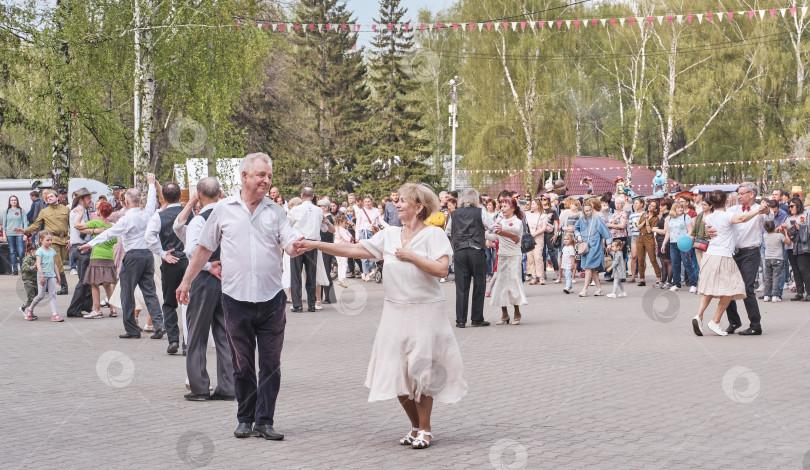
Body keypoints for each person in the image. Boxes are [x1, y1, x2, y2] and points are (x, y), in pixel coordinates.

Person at [293, 182, 466, 449]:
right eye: (397, 200)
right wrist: (315, 244)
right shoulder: (390, 235)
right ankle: (414, 426)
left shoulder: (434, 235)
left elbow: (442, 270)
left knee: (422, 372)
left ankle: (426, 429)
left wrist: (412, 257)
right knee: (396, 370)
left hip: (425, 310)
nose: (397, 204)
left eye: (403, 201)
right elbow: (353, 250)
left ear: (419, 207)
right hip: (394, 311)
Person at [177, 153, 300, 441]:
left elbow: (289, 242)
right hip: (235, 299)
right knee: (242, 364)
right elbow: (204, 249)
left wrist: (297, 245)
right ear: (244, 177)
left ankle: (265, 421)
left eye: (269, 175)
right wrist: (186, 282)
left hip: (271, 301)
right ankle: (245, 418)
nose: (266, 180)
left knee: (270, 363)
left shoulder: (276, 212)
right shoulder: (222, 210)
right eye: (260, 175)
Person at [79, 174, 166, 340]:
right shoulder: (147, 213)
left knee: (127, 293)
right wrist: (151, 184)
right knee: (150, 292)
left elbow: (109, 233)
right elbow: (152, 200)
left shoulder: (127, 219)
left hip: (133, 256)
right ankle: (159, 324)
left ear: (126, 203)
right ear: (140, 201)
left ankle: (132, 329)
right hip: (147, 256)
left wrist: (89, 244)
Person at [173, 178, 235, 402]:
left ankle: (199, 387)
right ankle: (229, 386)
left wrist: (208, 266)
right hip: (228, 279)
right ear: (220, 194)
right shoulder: (231, 217)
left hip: (203, 279)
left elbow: (191, 250)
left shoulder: (200, 220)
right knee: (225, 333)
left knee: (197, 333)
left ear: (198, 194)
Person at [693, 190, 769, 336]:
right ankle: (715, 321)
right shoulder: (728, 214)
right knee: (732, 288)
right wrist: (758, 209)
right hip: (724, 256)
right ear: (726, 200)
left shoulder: (709, 217)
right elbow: (742, 219)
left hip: (710, 255)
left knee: (711, 288)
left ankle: (699, 315)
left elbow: (704, 220)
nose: (739, 196)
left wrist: (710, 227)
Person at [145, 182, 187, 354]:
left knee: (169, 303)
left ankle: (173, 340)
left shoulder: (159, 215)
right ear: (180, 196)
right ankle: (188, 342)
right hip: (187, 260)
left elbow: (149, 237)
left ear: (163, 197)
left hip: (170, 261)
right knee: (189, 303)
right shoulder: (188, 213)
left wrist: (162, 253)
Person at [449, 188, 494, 328]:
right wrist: (484, 233)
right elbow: (492, 226)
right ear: (475, 199)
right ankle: (476, 318)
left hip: (460, 251)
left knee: (461, 286)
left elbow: (448, 231)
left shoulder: (454, 214)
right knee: (479, 284)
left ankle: (460, 320)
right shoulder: (481, 212)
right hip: (476, 250)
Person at [287, 187, 329, 312]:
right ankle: (311, 304)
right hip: (312, 244)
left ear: (302, 195)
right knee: (311, 275)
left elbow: (287, 225)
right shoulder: (318, 211)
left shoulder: (295, 209)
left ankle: (297, 305)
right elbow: (324, 228)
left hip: (298, 243)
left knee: (296, 275)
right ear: (312, 196)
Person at [21, 190, 70, 295]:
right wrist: (25, 231)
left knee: (55, 263)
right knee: (58, 262)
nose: (49, 198)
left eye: (51, 196)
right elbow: (36, 225)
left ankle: (47, 285)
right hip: (52, 240)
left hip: (65, 240)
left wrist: (71, 238)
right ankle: (64, 286)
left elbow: (72, 225)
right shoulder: (44, 211)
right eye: (47, 198)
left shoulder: (66, 209)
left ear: (57, 197)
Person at [75, 201, 118, 319]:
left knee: (94, 283)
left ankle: (97, 310)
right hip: (109, 256)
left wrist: (80, 213)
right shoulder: (112, 225)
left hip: (97, 255)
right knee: (107, 284)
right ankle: (113, 309)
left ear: (99, 211)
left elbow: (77, 225)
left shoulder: (96, 222)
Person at [489, 197, 528, 325]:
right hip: (502, 256)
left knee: (513, 283)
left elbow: (516, 233)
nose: (502, 209)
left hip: (514, 256)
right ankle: (504, 314)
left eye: (505, 206)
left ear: (513, 208)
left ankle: (517, 312)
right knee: (501, 285)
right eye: (501, 206)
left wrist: (503, 228)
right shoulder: (500, 221)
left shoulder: (517, 221)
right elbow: (494, 236)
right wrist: (480, 233)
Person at [66, 188, 95, 318]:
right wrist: (96, 230)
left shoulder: (83, 211)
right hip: (81, 248)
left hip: (83, 247)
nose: (91, 200)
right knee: (84, 280)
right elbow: (82, 231)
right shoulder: (77, 212)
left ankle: (86, 306)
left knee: (87, 279)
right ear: (82, 199)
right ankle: (73, 309)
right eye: (88, 198)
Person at [24, 231, 63, 322]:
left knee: (52, 294)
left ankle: (55, 314)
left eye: (51, 240)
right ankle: (29, 309)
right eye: (47, 240)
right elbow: (38, 264)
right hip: (42, 276)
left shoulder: (52, 251)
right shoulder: (39, 251)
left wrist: (58, 275)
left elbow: (54, 264)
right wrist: (42, 276)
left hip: (51, 276)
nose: (50, 242)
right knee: (41, 295)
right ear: (41, 240)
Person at [575, 201, 612, 297]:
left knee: (588, 267)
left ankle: (585, 289)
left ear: (592, 209)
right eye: (586, 210)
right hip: (585, 247)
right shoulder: (581, 219)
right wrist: (578, 235)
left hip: (595, 246)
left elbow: (605, 231)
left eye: (589, 210)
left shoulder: (597, 219)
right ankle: (599, 289)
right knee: (592, 269)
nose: (588, 212)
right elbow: (576, 228)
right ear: (583, 210)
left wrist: (609, 243)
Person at [661, 202, 697, 293]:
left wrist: (687, 240)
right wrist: (664, 244)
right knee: (675, 264)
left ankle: (693, 284)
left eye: (681, 208)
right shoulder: (670, 219)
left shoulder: (686, 217)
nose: (680, 209)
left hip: (683, 243)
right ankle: (676, 284)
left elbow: (690, 230)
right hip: (673, 243)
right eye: (678, 208)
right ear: (674, 209)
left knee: (687, 264)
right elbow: (668, 233)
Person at [784, 197, 810, 301]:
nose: (790, 208)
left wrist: (800, 227)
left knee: (804, 270)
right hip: (791, 246)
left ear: (798, 205)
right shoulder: (789, 217)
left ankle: (809, 293)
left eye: (792, 206)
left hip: (803, 247)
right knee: (795, 270)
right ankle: (799, 292)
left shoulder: (806, 214)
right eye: (789, 206)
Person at [315, 198, 336, 309]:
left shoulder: (328, 218)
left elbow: (329, 233)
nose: (318, 208)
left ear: (326, 207)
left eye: (320, 206)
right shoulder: (324, 218)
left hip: (326, 246)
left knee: (326, 271)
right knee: (324, 271)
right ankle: (325, 296)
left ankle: (330, 296)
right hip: (324, 245)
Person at [762, 221, 790, 302]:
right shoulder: (780, 236)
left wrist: (777, 228)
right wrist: (785, 231)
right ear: (774, 227)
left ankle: (767, 295)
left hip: (767, 258)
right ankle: (775, 295)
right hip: (777, 258)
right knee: (776, 277)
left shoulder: (765, 235)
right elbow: (788, 242)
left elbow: (772, 231)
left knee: (768, 277)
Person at [356, 195, 382, 281]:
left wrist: (389, 227)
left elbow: (381, 221)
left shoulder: (376, 210)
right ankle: (365, 272)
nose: (367, 203)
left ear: (372, 201)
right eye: (366, 201)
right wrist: (357, 237)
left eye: (369, 201)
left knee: (373, 252)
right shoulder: (361, 211)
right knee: (364, 253)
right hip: (363, 232)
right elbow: (358, 225)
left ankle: (372, 269)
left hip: (373, 232)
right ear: (364, 202)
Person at [635, 200, 661, 287]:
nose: (650, 206)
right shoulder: (643, 214)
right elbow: (638, 227)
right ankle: (642, 278)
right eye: (650, 205)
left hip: (649, 237)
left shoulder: (655, 218)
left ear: (656, 209)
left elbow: (650, 230)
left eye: (653, 206)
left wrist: (647, 221)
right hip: (640, 237)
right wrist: (644, 220)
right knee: (641, 259)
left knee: (652, 258)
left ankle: (659, 277)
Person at [525, 198, 548, 285]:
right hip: (529, 237)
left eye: (534, 204)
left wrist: (535, 233)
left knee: (538, 256)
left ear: (538, 205)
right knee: (530, 257)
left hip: (538, 237)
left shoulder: (542, 215)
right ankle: (534, 276)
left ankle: (541, 276)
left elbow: (544, 227)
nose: (532, 205)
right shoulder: (527, 214)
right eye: (532, 203)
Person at [605, 197, 628, 282]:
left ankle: (622, 275)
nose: (618, 205)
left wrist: (611, 225)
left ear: (622, 204)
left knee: (621, 255)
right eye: (616, 203)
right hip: (613, 236)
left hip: (620, 236)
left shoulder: (623, 213)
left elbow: (622, 225)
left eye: (619, 204)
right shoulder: (614, 213)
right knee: (615, 256)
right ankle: (614, 274)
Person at [3, 195, 27, 274]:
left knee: (21, 252)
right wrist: (4, 235)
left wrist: (25, 234)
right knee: (12, 252)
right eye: (12, 200)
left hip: (20, 234)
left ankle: (23, 268)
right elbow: (4, 225)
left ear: (17, 201)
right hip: (10, 234)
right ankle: (15, 269)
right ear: (9, 202)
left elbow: (25, 223)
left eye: (15, 200)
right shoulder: (6, 211)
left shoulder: (21, 210)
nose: (13, 201)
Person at [540, 195, 560, 283]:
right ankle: (543, 272)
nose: (543, 201)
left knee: (552, 252)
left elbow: (556, 223)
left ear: (548, 200)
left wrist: (555, 234)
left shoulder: (552, 210)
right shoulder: (540, 210)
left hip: (550, 233)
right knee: (542, 253)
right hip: (540, 233)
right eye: (542, 199)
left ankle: (556, 271)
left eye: (544, 199)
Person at [333, 214, 352, 288]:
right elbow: (345, 236)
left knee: (340, 263)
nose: (346, 224)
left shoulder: (336, 228)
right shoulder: (341, 229)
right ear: (341, 222)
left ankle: (340, 278)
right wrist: (350, 239)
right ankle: (342, 278)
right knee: (344, 263)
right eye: (345, 223)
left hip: (336, 247)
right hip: (342, 247)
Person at [20, 247, 39, 314]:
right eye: (37, 251)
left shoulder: (37, 259)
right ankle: (27, 311)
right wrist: (32, 267)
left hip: (34, 281)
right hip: (28, 281)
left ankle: (25, 308)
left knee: (36, 298)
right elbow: (24, 268)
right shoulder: (28, 258)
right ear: (32, 251)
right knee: (31, 298)